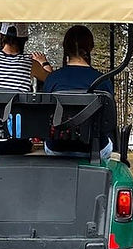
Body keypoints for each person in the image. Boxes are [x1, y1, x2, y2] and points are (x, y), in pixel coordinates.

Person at [0, 22, 52, 154]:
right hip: (14, 144)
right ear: (24, 40)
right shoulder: (31, 63)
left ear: (1, 36)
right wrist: (43, 62)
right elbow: (50, 79)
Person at [43, 25, 115, 161]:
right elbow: (108, 121)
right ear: (91, 47)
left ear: (65, 47)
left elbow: (45, 115)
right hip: (95, 149)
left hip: (57, 148)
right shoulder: (102, 80)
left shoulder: (53, 79)